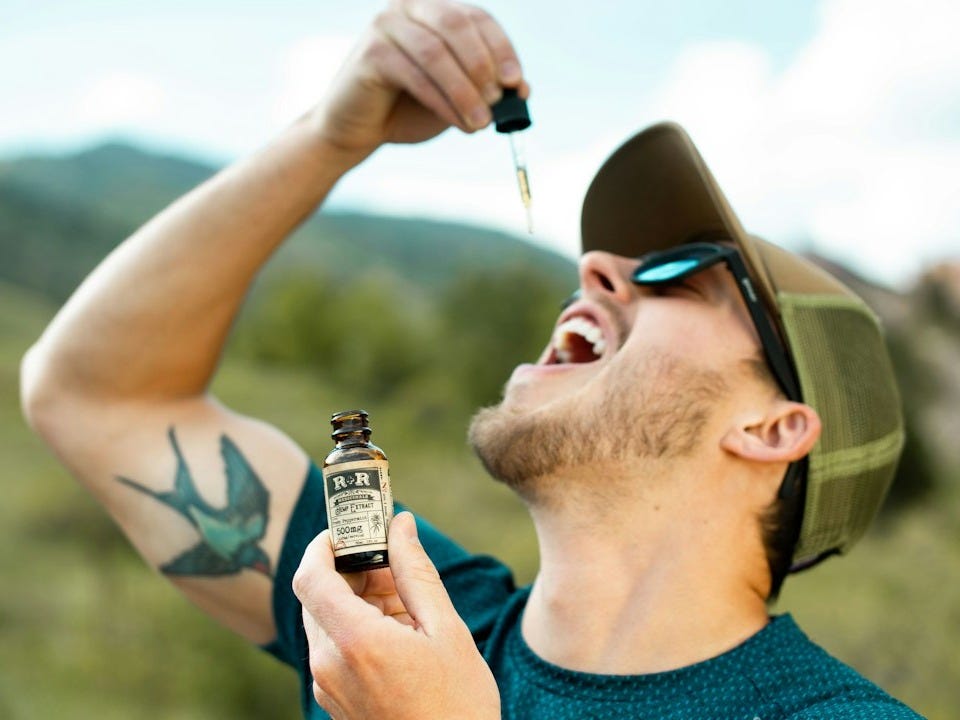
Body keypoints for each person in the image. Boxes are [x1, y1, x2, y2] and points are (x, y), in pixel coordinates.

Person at [20, 1, 922, 718]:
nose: (596, 267)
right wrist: (332, 136)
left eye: (682, 274)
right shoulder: (395, 620)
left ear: (772, 428)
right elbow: (97, 396)